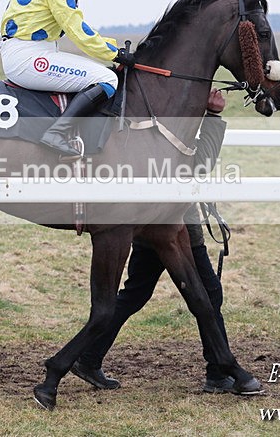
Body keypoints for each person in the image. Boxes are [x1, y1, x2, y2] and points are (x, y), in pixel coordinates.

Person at [72, 90, 253, 394]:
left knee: (134, 296)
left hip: (151, 220)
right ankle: (219, 371)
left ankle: (88, 358)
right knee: (208, 294)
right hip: (170, 226)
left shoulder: (157, 120)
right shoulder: (174, 127)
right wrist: (213, 116)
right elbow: (200, 165)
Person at [0, 0, 134, 157]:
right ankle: (55, 134)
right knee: (108, 79)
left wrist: (112, 47)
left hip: (31, 51)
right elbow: (77, 31)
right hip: (27, 58)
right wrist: (114, 54)